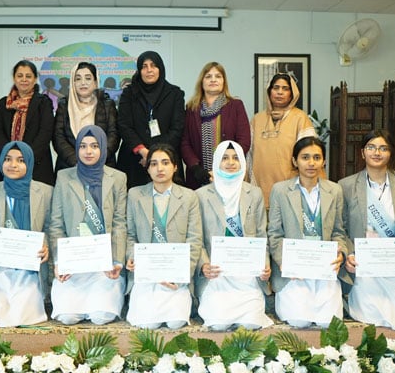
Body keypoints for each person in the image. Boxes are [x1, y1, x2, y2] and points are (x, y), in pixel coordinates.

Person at [339, 129, 395, 329]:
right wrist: (350, 254)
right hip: (366, 263)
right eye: (371, 147)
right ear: (362, 152)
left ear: (391, 153)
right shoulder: (346, 186)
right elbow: (341, 229)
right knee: (371, 311)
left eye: (383, 148)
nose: (377, 153)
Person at [267, 136, 349, 328]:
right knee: (298, 320)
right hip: (294, 270)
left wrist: (341, 253)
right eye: (305, 157)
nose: (311, 163)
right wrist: (284, 262)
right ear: (295, 161)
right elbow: (274, 234)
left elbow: (339, 231)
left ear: (324, 161)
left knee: (328, 322)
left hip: (325, 267)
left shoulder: (335, 190)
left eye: (316, 157)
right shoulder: (280, 190)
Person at [49, 125, 127, 325]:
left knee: (102, 316)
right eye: (83, 146)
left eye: (94, 146)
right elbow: (56, 224)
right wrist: (59, 262)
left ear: (103, 147)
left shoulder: (118, 178)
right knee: (67, 317)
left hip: (105, 262)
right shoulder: (64, 177)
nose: (88, 151)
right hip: (74, 262)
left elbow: (119, 222)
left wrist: (117, 261)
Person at [195, 141, 272, 331]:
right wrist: (204, 265)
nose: (231, 162)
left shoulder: (254, 193)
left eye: (236, 158)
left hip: (247, 274)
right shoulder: (200, 195)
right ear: (215, 163)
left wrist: (265, 264)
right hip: (216, 274)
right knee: (218, 324)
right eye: (225, 158)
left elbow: (262, 234)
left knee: (251, 324)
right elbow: (197, 239)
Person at [0, 141, 52, 327]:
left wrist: (45, 247)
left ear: (30, 163)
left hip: (30, 268)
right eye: (8, 159)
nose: (13, 165)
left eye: (20, 160)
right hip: (0, 265)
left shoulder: (45, 192)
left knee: (22, 311)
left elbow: (48, 227)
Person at [125, 143, 202, 329]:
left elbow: (194, 239)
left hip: (176, 274)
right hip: (146, 273)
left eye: (165, 162)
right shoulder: (135, 195)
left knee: (176, 323)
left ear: (175, 167)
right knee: (147, 325)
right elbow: (129, 234)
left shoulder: (189, 197)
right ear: (147, 167)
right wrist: (132, 258)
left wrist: (182, 272)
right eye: (154, 163)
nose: (160, 168)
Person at [116, 51, 185, 189]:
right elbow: (124, 125)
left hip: (166, 159)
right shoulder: (129, 93)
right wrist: (143, 152)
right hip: (134, 160)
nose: (149, 70)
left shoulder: (175, 94)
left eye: (153, 66)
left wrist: (155, 155)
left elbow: (177, 128)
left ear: (160, 68)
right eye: (144, 66)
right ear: (139, 70)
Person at [247, 73, 316, 207]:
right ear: (269, 91)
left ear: (292, 94)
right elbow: (248, 155)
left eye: (285, 89)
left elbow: (310, 155)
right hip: (260, 188)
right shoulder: (257, 119)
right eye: (276, 87)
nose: (280, 92)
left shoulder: (300, 118)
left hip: (290, 187)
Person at [181, 62, 251, 190]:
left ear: (224, 81)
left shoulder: (235, 105)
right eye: (208, 76)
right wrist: (196, 168)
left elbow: (244, 141)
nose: (213, 79)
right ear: (201, 82)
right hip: (198, 177)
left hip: (229, 174)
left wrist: (228, 162)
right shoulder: (191, 108)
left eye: (218, 76)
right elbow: (185, 142)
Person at [0, 60, 55, 186]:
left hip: (37, 165)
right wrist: (9, 157)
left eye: (28, 76)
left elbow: (45, 133)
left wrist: (26, 158)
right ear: (14, 78)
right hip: (8, 165)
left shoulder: (43, 102)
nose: (24, 79)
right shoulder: (4, 103)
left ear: (35, 79)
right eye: (20, 76)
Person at [53, 62, 120, 172]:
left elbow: (114, 135)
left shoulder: (107, 104)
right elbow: (58, 137)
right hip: (70, 167)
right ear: (73, 82)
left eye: (88, 78)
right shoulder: (64, 105)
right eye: (78, 79)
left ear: (95, 82)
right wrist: (76, 162)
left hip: (103, 166)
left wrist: (98, 159)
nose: (83, 83)